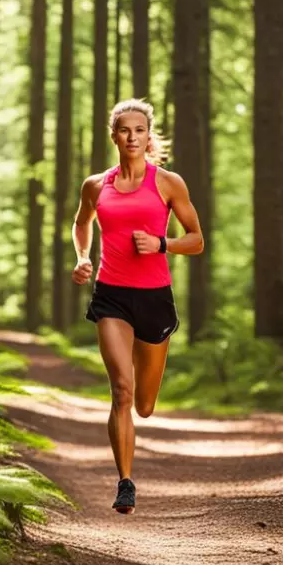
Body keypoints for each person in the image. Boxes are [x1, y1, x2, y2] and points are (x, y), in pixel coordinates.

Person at [71, 99, 205, 514]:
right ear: (114, 135)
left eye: (140, 130)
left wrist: (162, 244)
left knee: (144, 404)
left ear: (148, 137)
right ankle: (125, 482)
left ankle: (140, 422)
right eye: (125, 130)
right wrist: (82, 257)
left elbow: (197, 239)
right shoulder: (96, 185)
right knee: (122, 391)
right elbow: (82, 222)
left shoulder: (167, 183)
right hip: (111, 294)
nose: (132, 137)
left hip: (154, 298)